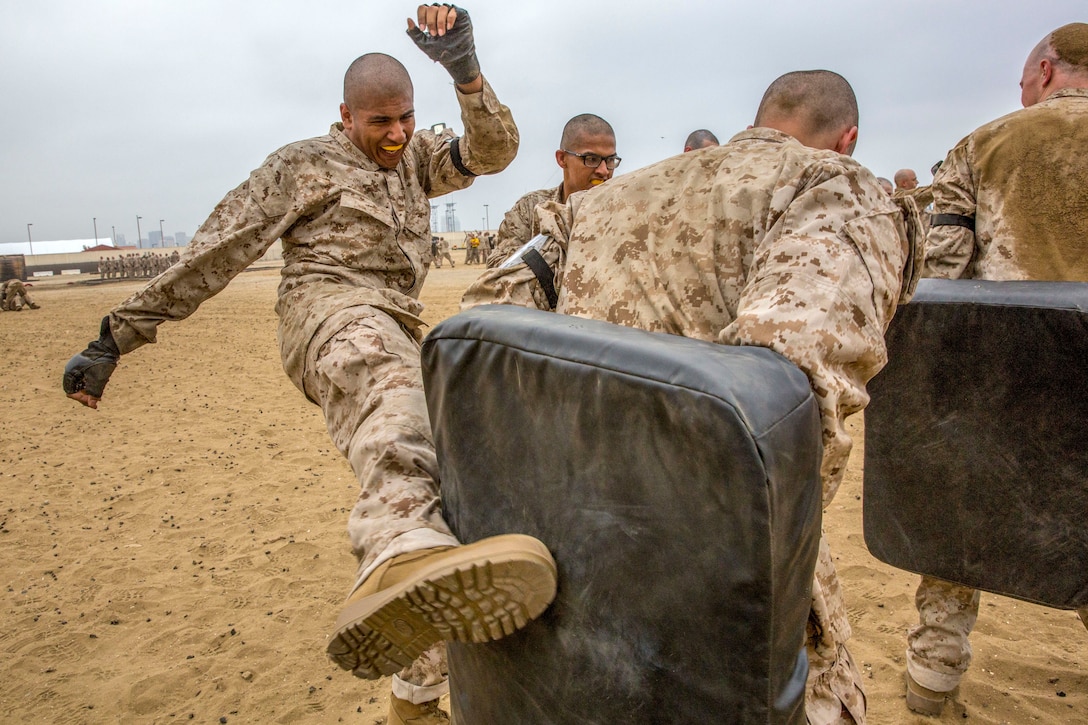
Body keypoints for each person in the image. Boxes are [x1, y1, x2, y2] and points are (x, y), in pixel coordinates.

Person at [61, 7, 557, 725]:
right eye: (380, 122)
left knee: (446, 460)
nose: (395, 136)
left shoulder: (416, 158)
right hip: (327, 319)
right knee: (386, 385)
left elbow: (494, 152)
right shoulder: (301, 167)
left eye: (405, 119)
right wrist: (116, 337)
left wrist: (465, 72)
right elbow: (216, 250)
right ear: (345, 116)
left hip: (396, 322)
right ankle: (395, 545)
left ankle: (417, 691)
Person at [466, 69, 918, 724]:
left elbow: (487, 313)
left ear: (755, 122)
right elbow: (782, 393)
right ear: (846, 139)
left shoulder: (594, 203)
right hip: (726, 555)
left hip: (572, 531)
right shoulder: (836, 187)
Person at [906, 22, 1088, 716]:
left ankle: (932, 678)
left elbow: (943, 276)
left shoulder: (983, 145)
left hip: (1003, 381)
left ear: (1044, 71)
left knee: (958, 535)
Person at [486, 113, 619, 268]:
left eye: (610, 160)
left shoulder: (624, 211)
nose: (604, 171)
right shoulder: (530, 209)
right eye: (591, 159)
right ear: (562, 158)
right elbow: (499, 269)